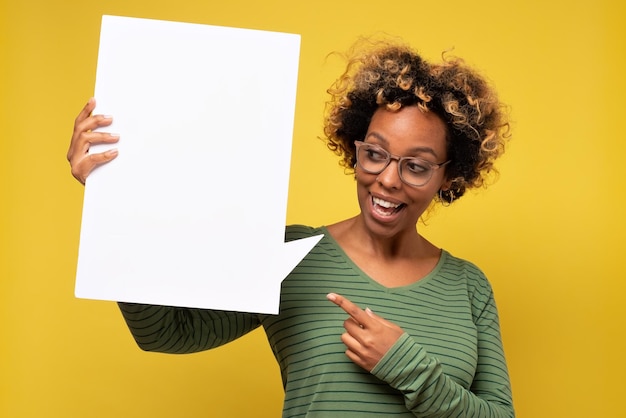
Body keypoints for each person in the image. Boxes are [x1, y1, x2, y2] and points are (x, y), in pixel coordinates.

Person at [67, 39, 514, 417]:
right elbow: (165, 332)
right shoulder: (290, 253)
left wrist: (410, 368)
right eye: (375, 154)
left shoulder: (468, 286)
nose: (389, 179)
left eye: (416, 166)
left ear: (450, 176)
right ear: (353, 149)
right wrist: (114, 200)